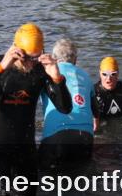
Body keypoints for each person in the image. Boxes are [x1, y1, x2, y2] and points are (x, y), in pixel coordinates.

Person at [0, 23, 71, 196]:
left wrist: (57, 78)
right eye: (26, 57)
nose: (30, 63)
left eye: (35, 58)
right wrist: (1, 67)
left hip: (24, 149)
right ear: (16, 50)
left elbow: (65, 108)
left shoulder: (40, 71)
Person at [39, 38, 96, 172]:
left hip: (56, 136)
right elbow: (95, 113)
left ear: (53, 58)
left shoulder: (46, 73)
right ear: (75, 59)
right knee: (80, 182)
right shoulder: (86, 76)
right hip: (85, 137)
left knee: (46, 182)